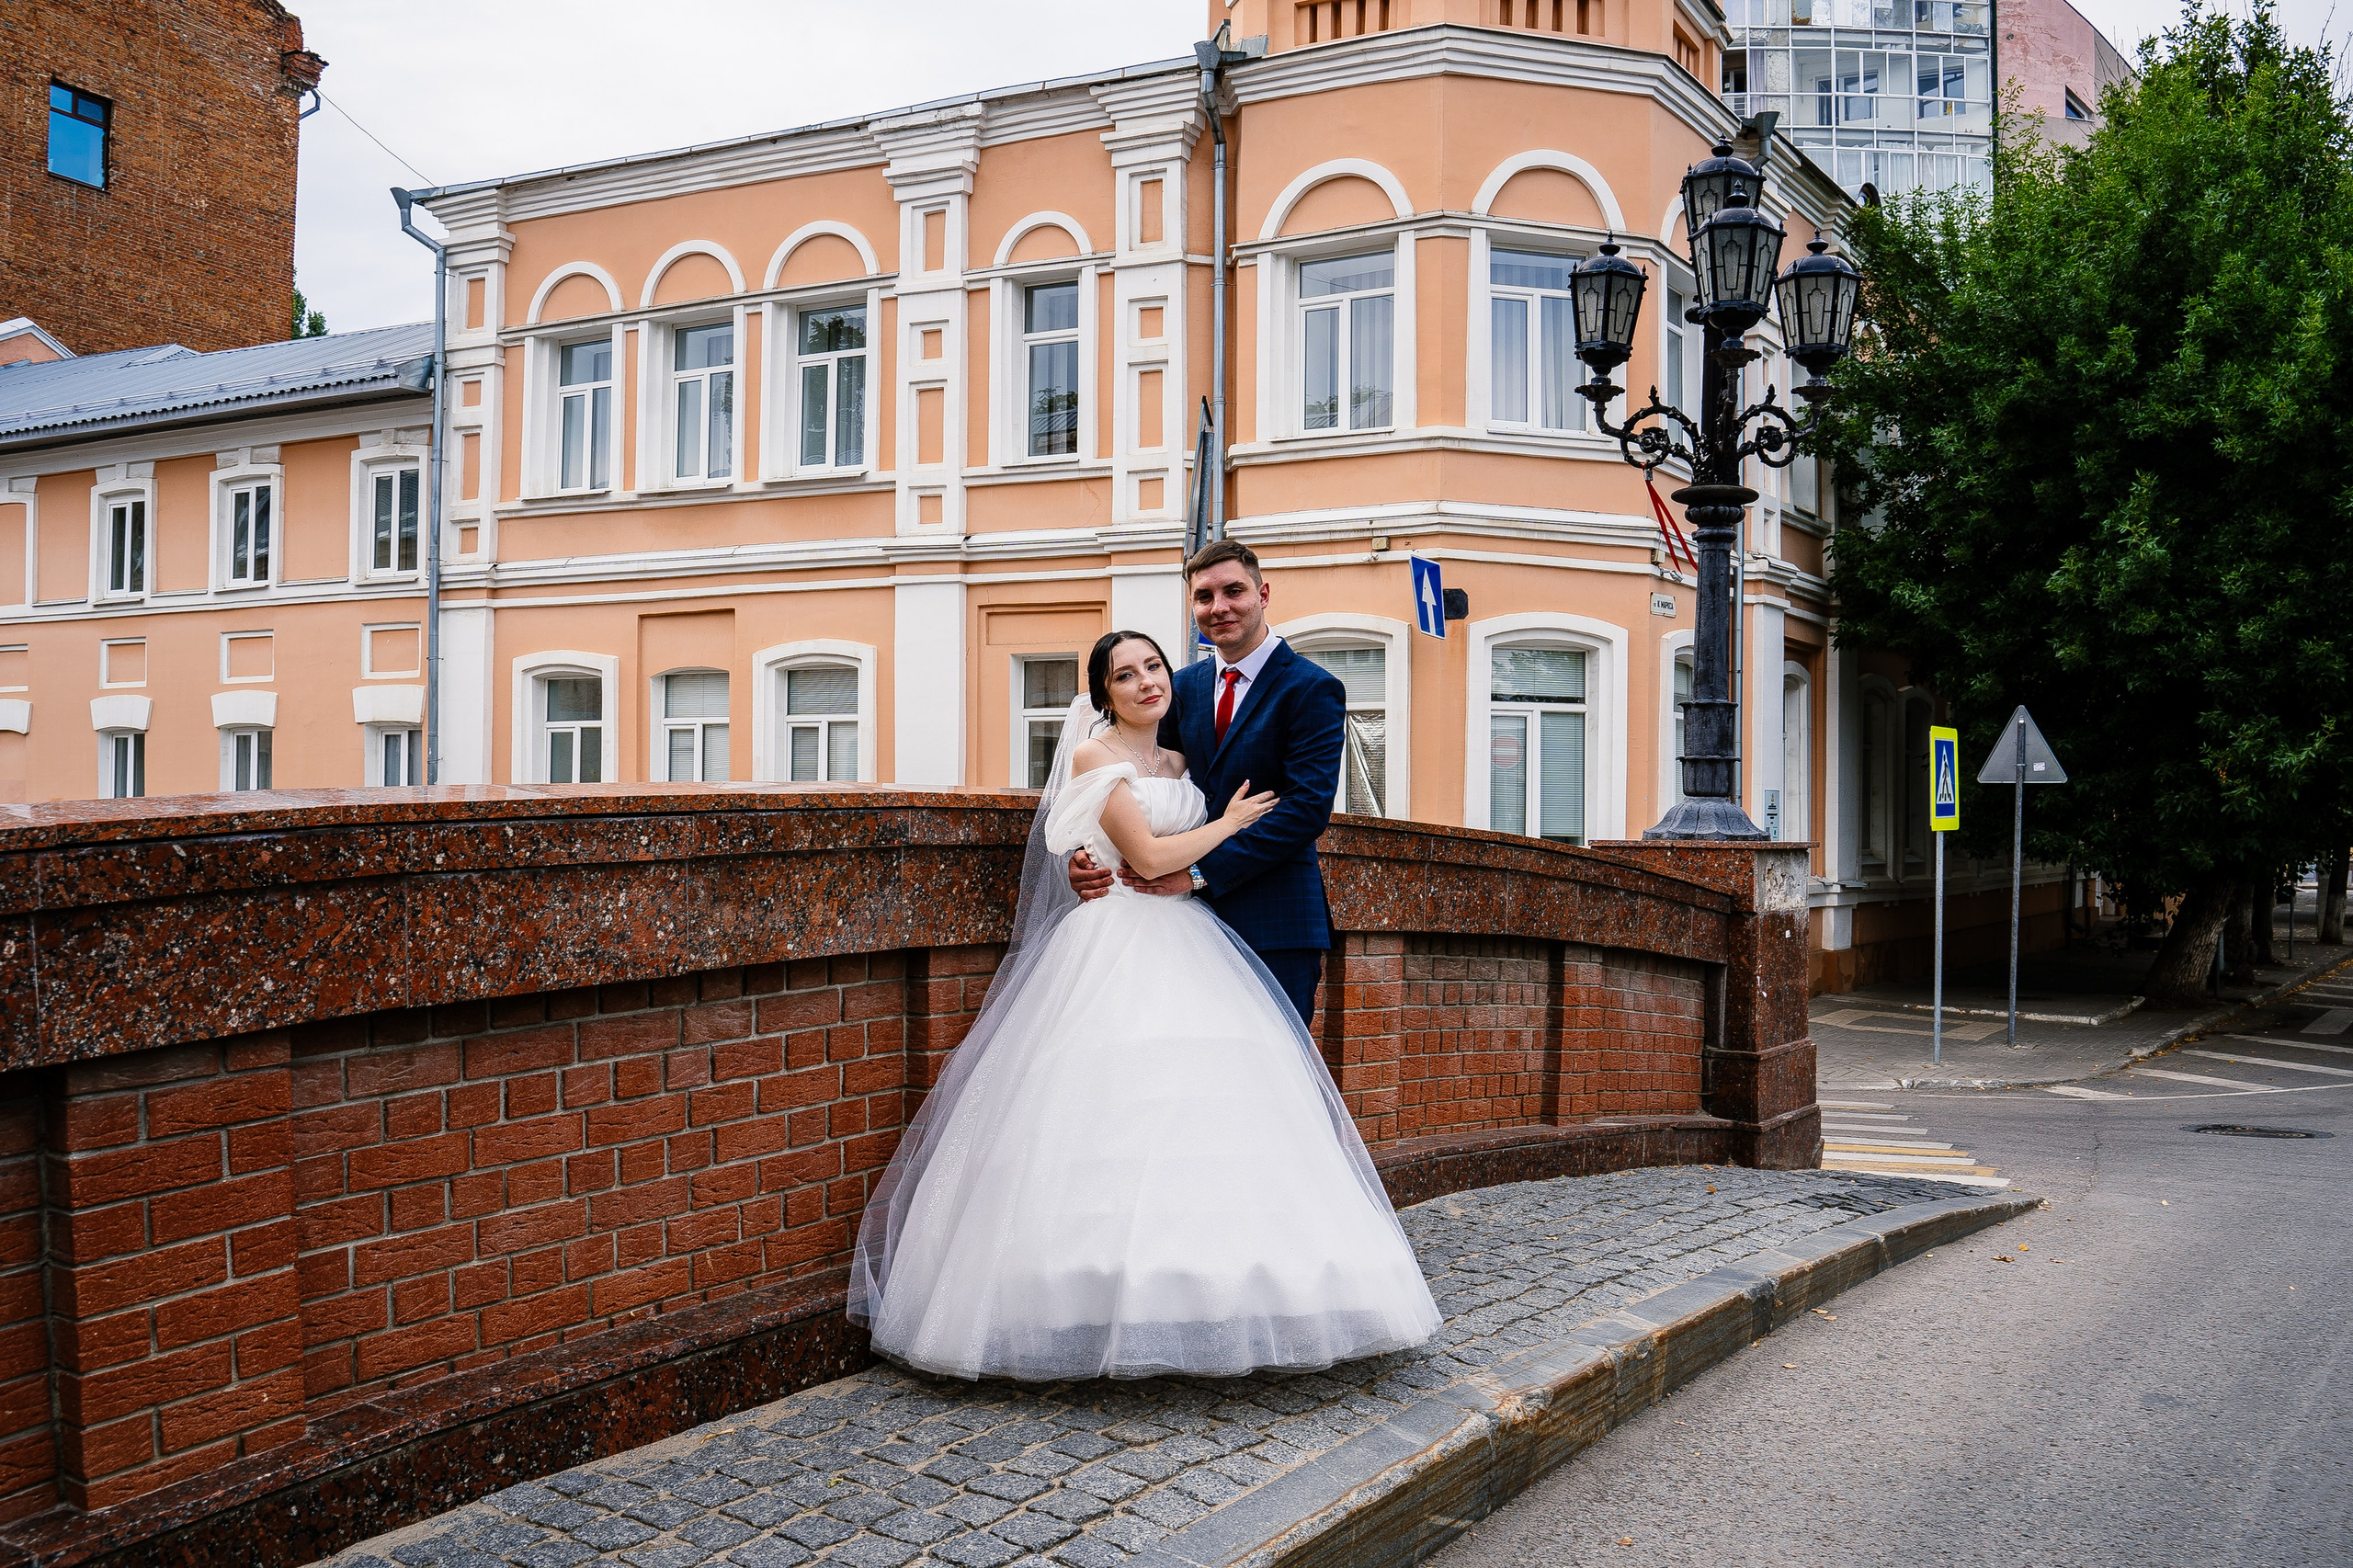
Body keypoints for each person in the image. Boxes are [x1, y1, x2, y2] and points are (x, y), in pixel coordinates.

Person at [847, 628, 1440, 1381]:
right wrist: (1225, 823)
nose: (1145, 682)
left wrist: (1193, 840)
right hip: (1121, 934)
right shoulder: (1097, 754)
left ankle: (1216, 1292)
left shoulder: (1183, 755)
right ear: (1101, 695)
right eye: (1124, 675)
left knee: (1216, 1113)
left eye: (1153, 667)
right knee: (1107, 1111)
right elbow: (1152, 856)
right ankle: (1082, 1299)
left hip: (1194, 932)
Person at [1071, 539, 1343, 1024]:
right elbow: (1144, 775)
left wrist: (1198, 875)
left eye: (1233, 591)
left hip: (1272, 918)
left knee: (1270, 1074)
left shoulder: (1311, 688)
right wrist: (1091, 851)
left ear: (1263, 595)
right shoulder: (1184, 686)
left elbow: (1305, 810)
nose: (1219, 608)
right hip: (1173, 925)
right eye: (1203, 597)